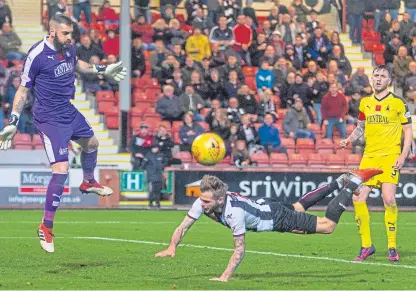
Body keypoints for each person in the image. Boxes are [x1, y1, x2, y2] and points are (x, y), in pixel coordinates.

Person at [0, 15, 126, 253]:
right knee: (61, 169)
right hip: (48, 117)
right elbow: (23, 90)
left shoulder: (69, 47)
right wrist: (13, 121)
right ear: (52, 32)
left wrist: (103, 69)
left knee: (92, 143)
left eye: (71, 33)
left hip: (67, 109)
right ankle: (46, 227)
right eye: (66, 33)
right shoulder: (36, 55)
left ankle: (88, 181)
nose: (70, 38)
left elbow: (78, 65)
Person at [155, 169, 383, 281]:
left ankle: (352, 183)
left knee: (327, 226)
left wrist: (224, 277)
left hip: (275, 217)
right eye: (201, 200)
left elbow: (240, 249)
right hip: (266, 204)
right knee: (298, 206)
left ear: (220, 199)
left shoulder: (233, 213)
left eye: (206, 201)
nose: (202, 204)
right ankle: (338, 181)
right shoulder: (204, 201)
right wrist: (172, 246)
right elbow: (183, 226)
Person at [340, 65, 414, 262]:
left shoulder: (398, 103)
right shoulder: (365, 103)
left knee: (388, 199)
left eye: (382, 76)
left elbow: (408, 131)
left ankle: (391, 246)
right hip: (369, 157)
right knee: (358, 199)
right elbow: (360, 128)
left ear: (389, 80)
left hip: (390, 156)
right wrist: (349, 140)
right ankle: (367, 245)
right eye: (376, 76)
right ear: (372, 79)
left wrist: (403, 154)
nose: (378, 79)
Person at [142, 141, 168, 208]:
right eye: (153, 148)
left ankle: (157, 203)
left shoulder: (161, 155)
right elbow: (143, 165)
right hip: (151, 176)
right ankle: (150, 202)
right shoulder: (148, 155)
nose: (155, 149)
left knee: (158, 190)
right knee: (151, 190)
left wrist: (162, 167)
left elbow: (165, 162)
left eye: (156, 148)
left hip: (159, 175)